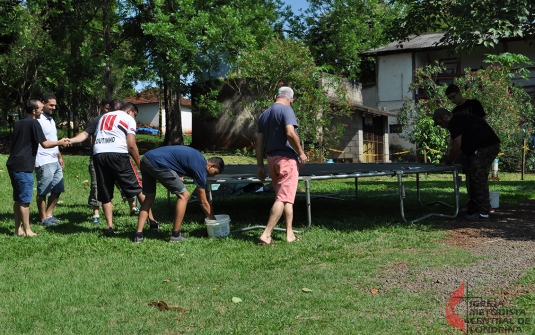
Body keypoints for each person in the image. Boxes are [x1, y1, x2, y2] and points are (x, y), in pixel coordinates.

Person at [69, 98, 143, 224]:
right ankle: (96, 213)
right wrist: (72, 140)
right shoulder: (103, 119)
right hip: (112, 156)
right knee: (101, 186)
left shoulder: (110, 118)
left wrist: (70, 140)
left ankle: (120, 218)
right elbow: (86, 134)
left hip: (103, 156)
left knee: (114, 187)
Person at [90, 102, 157, 235]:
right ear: (130, 111)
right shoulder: (128, 118)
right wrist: (140, 165)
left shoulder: (104, 116)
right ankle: (152, 221)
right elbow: (131, 145)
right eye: (135, 115)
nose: (135, 118)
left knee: (105, 193)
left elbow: (95, 138)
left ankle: (109, 227)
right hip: (118, 155)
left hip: (98, 154)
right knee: (138, 188)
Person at [132, 145, 224, 243]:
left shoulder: (199, 158)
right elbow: (203, 202)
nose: (213, 176)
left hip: (146, 159)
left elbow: (177, 158)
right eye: (215, 173)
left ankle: (138, 235)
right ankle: (176, 234)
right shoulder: (201, 168)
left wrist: (177, 173)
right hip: (158, 163)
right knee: (184, 195)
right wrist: (214, 221)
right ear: (211, 165)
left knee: (149, 197)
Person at [7, 98, 69, 236]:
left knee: (18, 199)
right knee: (25, 200)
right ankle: (28, 230)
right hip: (23, 166)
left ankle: (18, 229)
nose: (42, 110)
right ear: (34, 111)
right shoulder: (34, 123)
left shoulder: (19, 123)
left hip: (13, 164)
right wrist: (60, 142)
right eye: (41, 108)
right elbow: (45, 144)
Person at [255, 86, 308, 245]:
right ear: (291, 100)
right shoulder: (286, 110)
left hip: (271, 160)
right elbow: (290, 133)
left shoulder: (264, 115)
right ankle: (267, 234)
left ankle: (289, 233)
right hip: (286, 159)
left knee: (286, 198)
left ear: (274, 96)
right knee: (283, 198)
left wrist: (260, 166)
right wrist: (301, 153)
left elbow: (258, 143)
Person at [433, 108, 500, 221]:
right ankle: (474, 208)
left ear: (445, 117)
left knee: (478, 179)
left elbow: (457, 145)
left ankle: (483, 213)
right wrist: (452, 159)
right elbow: (462, 148)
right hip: (486, 146)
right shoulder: (461, 119)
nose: (442, 126)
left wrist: (448, 161)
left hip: (485, 147)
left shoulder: (455, 121)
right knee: (473, 178)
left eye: (440, 124)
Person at [445, 84, 495, 214]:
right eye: (450, 99)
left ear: (458, 92)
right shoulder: (454, 113)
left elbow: (482, 122)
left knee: (480, 176)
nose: (453, 100)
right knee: (470, 174)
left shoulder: (474, 104)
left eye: (453, 97)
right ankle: (472, 201)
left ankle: (484, 206)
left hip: (480, 145)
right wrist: (451, 152)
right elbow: (456, 139)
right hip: (465, 147)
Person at [35, 93, 65, 226]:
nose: (53, 107)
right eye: (51, 105)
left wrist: (59, 156)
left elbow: (53, 139)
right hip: (43, 159)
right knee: (43, 191)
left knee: (57, 188)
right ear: (43, 103)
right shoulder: (37, 119)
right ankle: (42, 219)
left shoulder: (51, 120)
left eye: (55, 105)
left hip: (54, 159)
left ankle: (49, 214)